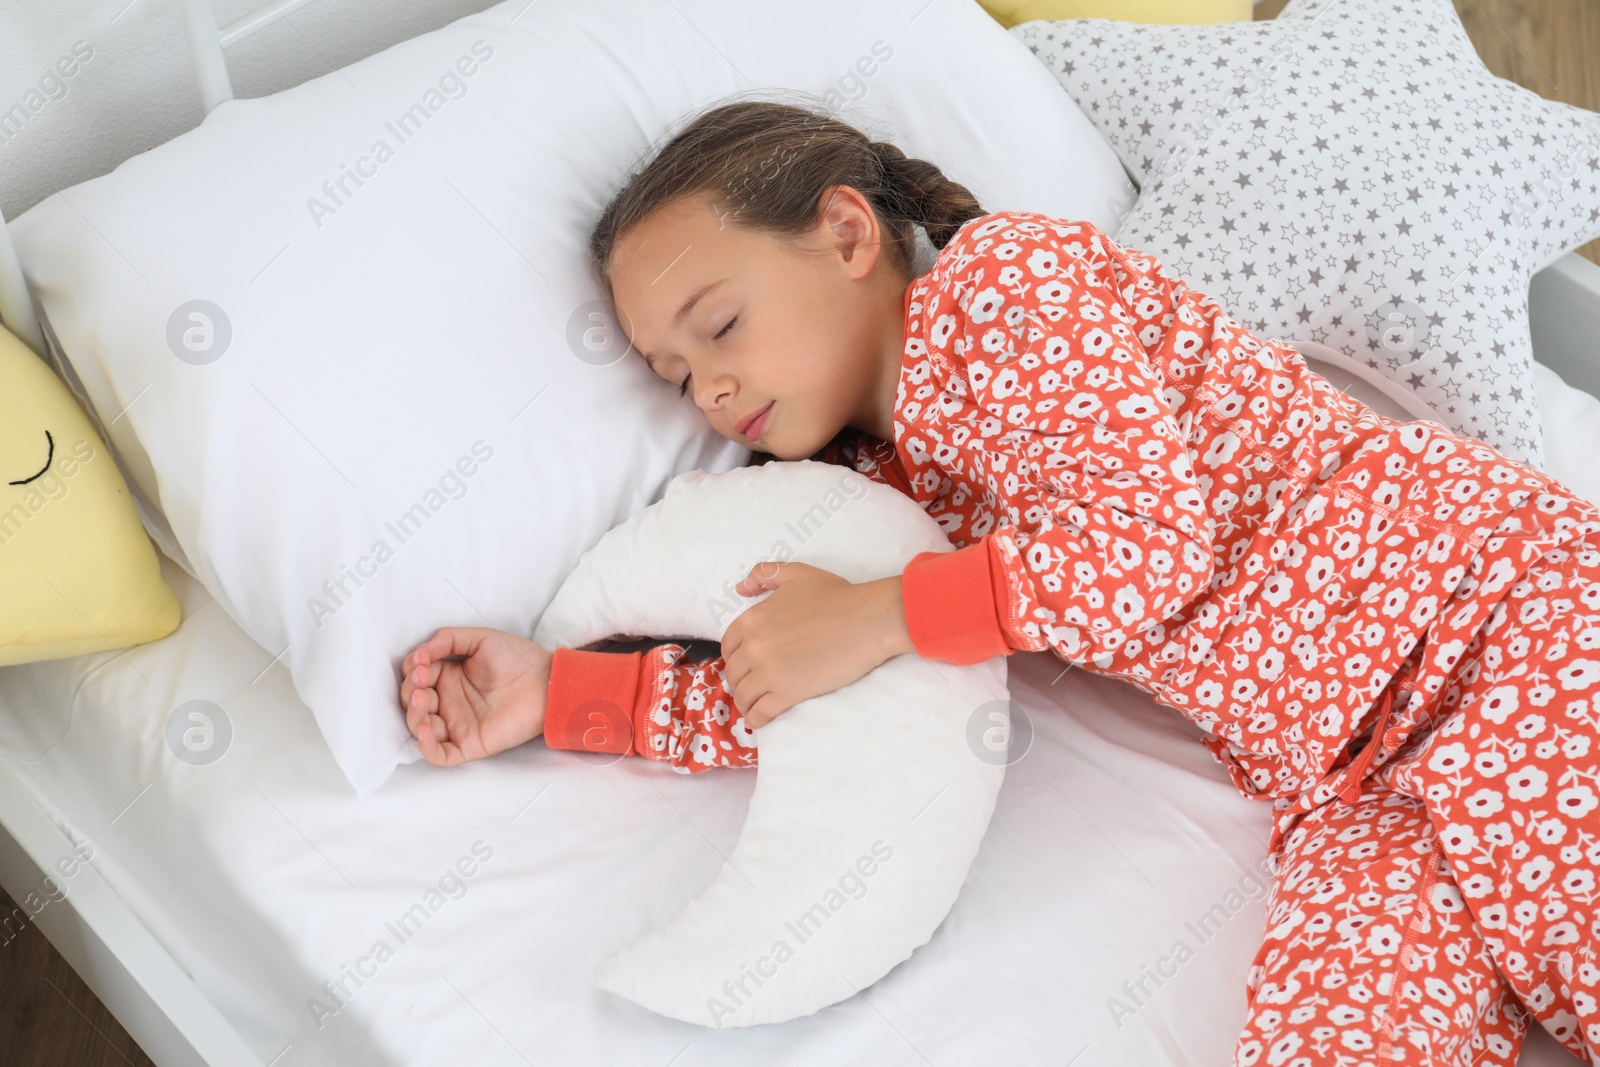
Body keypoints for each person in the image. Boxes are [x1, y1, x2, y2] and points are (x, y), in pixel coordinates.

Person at [396, 97, 1600, 1065]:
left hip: (1502, 621)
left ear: (849, 234)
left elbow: (1144, 540)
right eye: (670, 377)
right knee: (1332, 1034)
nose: (706, 391)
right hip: (1351, 779)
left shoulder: (1005, 287)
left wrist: (880, 614)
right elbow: (826, 699)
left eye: (718, 326)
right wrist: (558, 697)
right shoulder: (873, 505)